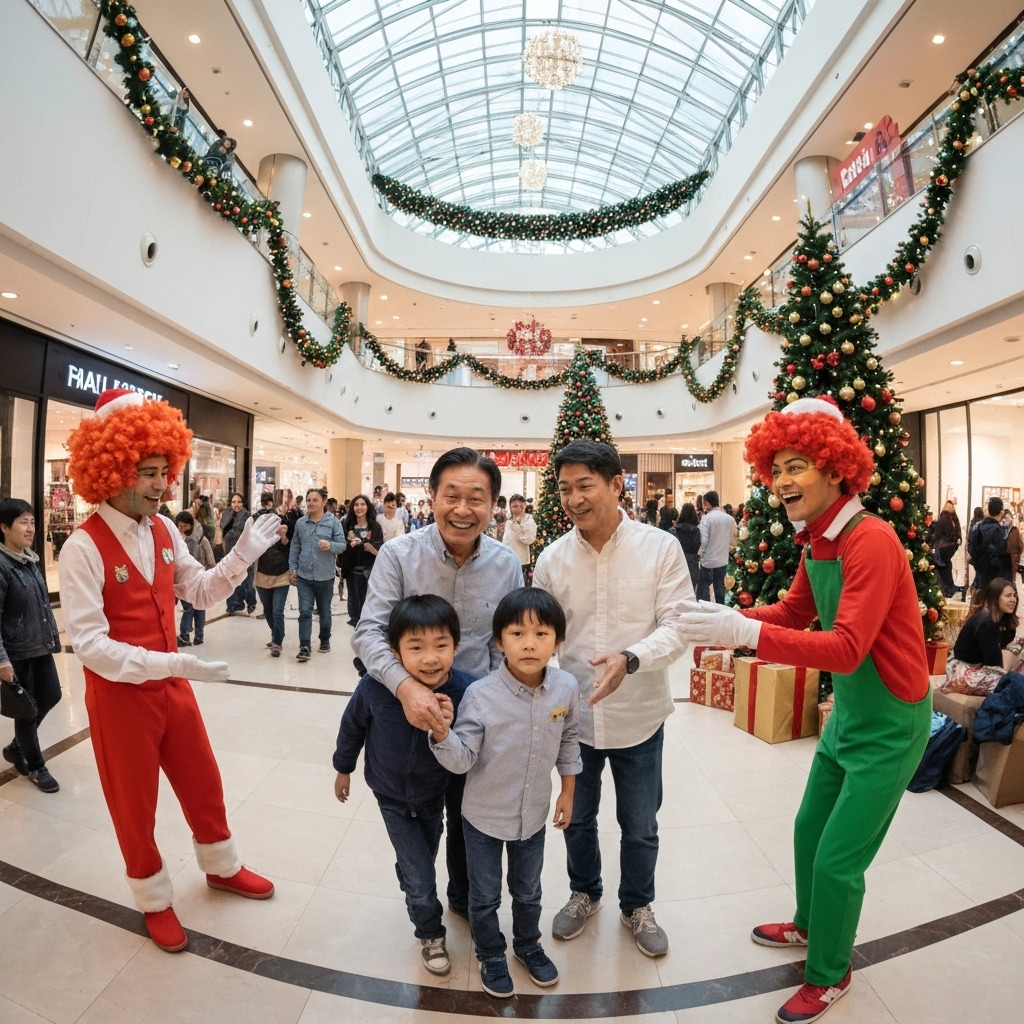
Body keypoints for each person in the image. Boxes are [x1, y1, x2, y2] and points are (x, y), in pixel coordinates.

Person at [679, 397, 932, 1024]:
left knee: (838, 858)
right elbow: (793, 615)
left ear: (836, 469)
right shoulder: (817, 539)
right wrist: (726, 621)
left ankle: (830, 972)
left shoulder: (869, 540)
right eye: (778, 468)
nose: (783, 481)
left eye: (798, 466)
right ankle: (806, 925)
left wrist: (745, 635)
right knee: (806, 832)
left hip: (892, 722)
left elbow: (846, 648)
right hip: (848, 717)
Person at [59, 389, 284, 952]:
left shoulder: (163, 530)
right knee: (134, 805)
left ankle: (221, 865)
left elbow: (200, 591)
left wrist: (241, 557)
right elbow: (88, 643)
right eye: (149, 472)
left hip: (172, 687)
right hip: (118, 699)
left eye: (165, 471)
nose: (162, 485)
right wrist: (173, 661)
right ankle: (155, 900)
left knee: (203, 782)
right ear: (110, 471)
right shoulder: (82, 548)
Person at [533, 440, 691, 957]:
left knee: (640, 824)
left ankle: (637, 904)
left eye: (585, 485)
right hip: (575, 717)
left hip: (639, 716)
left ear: (615, 484)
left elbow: (679, 626)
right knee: (577, 818)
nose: (574, 499)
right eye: (564, 488)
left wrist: (632, 657)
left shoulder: (660, 548)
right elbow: (542, 638)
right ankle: (585, 893)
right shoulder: (553, 559)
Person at [352, 447, 524, 923]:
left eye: (477, 498)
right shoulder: (399, 555)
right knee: (419, 815)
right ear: (431, 496)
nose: (463, 510)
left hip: (475, 712)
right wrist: (408, 689)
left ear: (493, 505)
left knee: (471, 818)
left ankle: (464, 900)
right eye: (452, 495)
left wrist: (494, 706)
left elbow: (501, 643)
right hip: (407, 712)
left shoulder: (505, 563)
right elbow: (368, 632)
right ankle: (420, 896)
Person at [430, 588, 581, 997]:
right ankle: (491, 952)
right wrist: (442, 734)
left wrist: (567, 793)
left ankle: (528, 945)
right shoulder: (480, 695)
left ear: (558, 641)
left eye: (542, 633)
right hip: (482, 817)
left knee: (529, 891)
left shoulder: (566, 688)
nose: (529, 643)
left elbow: (569, 741)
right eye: (517, 633)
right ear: (499, 642)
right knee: (483, 896)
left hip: (532, 816)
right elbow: (461, 760)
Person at [334, 595, 472, 977]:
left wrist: (449, 725)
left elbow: (478, 743)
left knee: (422, 856)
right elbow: (352, 727)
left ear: (456, 646)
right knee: (422, 879)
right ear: (394, 652)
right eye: (416, 648)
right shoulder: (376, 688)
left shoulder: (466, 690)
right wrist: (343, 767)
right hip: (390, 795)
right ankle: (430, 932)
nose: (430, 658)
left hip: (434, 796)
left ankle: (411, 876)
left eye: (441, 646)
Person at [0, 498, 62, 793]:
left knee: (52, 695)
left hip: (39, 646)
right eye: (23, 522)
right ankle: (37, 766)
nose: (30, 528)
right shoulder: (2, 565)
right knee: (27, 711)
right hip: (17, 652)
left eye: (33, 522)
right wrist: (2, 661)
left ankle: (15, 747)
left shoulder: (30, 559)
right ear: (3, 527)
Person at [289, 487, 346, 662]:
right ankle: (304, 645)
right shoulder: (300, 523)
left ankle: (324, 639)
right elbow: (295, 546)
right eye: (309, 500)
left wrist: (330, 546)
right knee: (305, 611)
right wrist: (293, 569)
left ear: (323, 502)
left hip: (325, 576)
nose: (311, 503)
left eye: (315, 500)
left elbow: (342, 545)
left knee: (324, 611)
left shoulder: (333, 522)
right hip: (304, 576)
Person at [254, 495, 292, 658]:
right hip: (262, 576)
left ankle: (277, 641)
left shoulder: (285, 529)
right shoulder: (257, 535)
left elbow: (290, 551)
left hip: (281, 575)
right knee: (268, 611)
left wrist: (283, 537)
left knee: (277, 611)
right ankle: (275, 633)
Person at [953, 578, 1018, 667]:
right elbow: (993, 661)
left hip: (985, 665)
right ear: (995, 597)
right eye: (1008, 596)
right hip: (967, 668)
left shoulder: (1005, 619)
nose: (1013, 600)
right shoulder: (984, 621)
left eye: (1014, 596)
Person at [341, 495, 384, 626]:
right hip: (352, 570)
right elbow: (340, 547)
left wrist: (368, 546)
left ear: (368, 507)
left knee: (368, 601)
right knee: (354, 600)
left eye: (362, 504)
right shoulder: (347, 526)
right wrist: (349, 543)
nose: (359, 508)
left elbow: (379, 546)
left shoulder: (375, 526)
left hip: (369, 570)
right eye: (356, 505)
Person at [174, 511, 215, 647]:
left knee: (199, 607)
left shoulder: (200, 539)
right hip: (183, 580)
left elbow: (209, 556)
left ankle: (198, 636)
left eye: (184, 526)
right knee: (189, 607)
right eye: (179, 526)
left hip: (199, 578)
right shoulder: (176, 539)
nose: (182, 529)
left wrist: (212, 573)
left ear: (190, 525)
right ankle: (185, 635)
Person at [697, 490, 734, 604]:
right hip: (723, 559)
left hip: (708, 560)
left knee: (703, 589)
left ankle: (705, 610)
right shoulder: (729, 519)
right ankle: (720, 610)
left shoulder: (707, 519)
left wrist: (700, 553)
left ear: (707, 503)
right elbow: (731, 539)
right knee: (719, 588)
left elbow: (704, 540)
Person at [222, 493, 256, 615]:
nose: (236, 505)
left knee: (246, 580)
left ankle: (251, 602)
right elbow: (223, 535)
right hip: (230, 553)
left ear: (243, 503)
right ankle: (234, 605)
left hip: (244, 554)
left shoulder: (247, 517)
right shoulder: (226, 515)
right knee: (231, 580)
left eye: (239, 502)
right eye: (233, 502)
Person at [968, 496, 1009, 595]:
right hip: (994, 574)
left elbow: (971, 548)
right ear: (1001, 511)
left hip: (979, 573)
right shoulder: (1000, 530)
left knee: (979, 602)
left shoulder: (977, 526)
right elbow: (1001, 552)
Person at [503, 494, 537, 585]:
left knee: (522, 587)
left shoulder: (529, 521)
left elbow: (530, 539)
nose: (517, 508)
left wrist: (518, 526)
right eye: (514, 506)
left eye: (520, 506)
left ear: (524, 506)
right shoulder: (508, 522)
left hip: (522, 561)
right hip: (509, 561)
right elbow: (506, 541)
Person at [932, 500, 963, 598]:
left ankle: (946, 589)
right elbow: (949, 532)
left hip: (943, 548)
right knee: (946, 568)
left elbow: (939, 534)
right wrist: (956, 539)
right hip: (947, 548)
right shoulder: (948, 518)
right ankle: (948, 589)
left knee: (945, 568)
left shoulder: (944, 517)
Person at [674, 503, 701, 589]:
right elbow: (698, 544)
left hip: (678, 561)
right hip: (692, 561)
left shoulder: (675, 529)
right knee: (691, 589)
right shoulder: (696, 530)